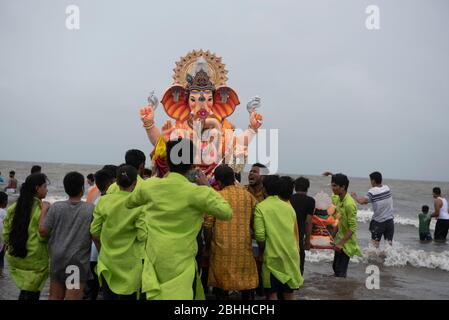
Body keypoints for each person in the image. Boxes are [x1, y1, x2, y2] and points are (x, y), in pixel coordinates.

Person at [126, 138, 232, 300]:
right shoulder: (197, 193)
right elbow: (226, 212)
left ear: (167, 161)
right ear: (191, 164)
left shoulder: (150, 186)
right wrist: (206, 186)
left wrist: (153, 180)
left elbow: (130, 202)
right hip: (181, 265)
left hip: (154, 262)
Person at [90, 165, 147, 300]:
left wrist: (103, 249)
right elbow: (142, 235)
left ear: (116, 182)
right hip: (130, 264)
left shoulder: (103, 201)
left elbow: (94, 231)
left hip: (107, 261)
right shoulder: (138, 205)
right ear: (134, 183)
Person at [204, 165, 258, 300]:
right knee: (246, 283)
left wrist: (208, 246)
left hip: (222, 248)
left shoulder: (217, 196)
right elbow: (255, 221)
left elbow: (208, 225)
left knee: (221, 286)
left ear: (219, 182)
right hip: (243, 247)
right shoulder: (248, 196)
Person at [38, 172, 94, 300]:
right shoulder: (90, 209)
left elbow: (42, 231)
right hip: (76, 262)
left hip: (57, 259)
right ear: (82, 189)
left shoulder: (56, 207)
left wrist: (43, 210)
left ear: (65, 188)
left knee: (54, 297)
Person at [254, 175, 302, 300]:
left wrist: (261, 252)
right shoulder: (289, 207)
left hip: (272, 256)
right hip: (290, 255)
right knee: (288, 293)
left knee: (272, 293)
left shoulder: (261, 207)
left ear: (264, 190)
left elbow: (260, 236)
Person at [2, 173, 49, 300]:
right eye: (44, 186)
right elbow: (43, 236)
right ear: (37, 188)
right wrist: (45, 210)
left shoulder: (13, 207)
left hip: (16, 256)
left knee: (25, 291)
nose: (47, 189)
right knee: (31, 293)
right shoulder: (41, 209)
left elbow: (6, 233)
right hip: (35, 260)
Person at [83, 169, 115, 300]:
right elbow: (95, 233)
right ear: (109, 184)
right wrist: (103, 251)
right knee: (95, 291)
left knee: (91, 291)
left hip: (92, 254)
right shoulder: (104, 202)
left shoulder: (97, 200)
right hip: (99, 254)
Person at [340, 171, 394, 248]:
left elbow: (362, 201)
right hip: (390, 221)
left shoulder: (373, 191)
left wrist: (354, 196)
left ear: (373, 181)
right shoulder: (387, 188)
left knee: (374, 246)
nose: (370, 182)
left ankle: (373, 259)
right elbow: (370, 200)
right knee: (389, 246)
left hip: (379, 222)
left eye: (370, 180)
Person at [327, 173, 362, 278]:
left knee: (341, 273)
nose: (332, 188)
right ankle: (338, 291)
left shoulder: (349, 204)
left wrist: (341, 243)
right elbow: (338, 220)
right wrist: (331, 236)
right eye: (332, 185)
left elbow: (352, 228)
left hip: (347, 242)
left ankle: (343, 293)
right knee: (335, 268)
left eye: (335, 186)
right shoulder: (338, 199)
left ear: (343, 187)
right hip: (339, 239)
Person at [290, 177, 315, 276]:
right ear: (307, 188)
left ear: (295, 187)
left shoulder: (289, 198)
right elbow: (308, 222)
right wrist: (307, 240)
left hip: (287, 234)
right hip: (299, 235)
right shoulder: (310, 201)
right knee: (299, 264)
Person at [0, 191, 8, 278]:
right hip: (1, 240)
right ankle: (1, 274)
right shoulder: (5, 213)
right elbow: (7, 227)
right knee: (1, 258)